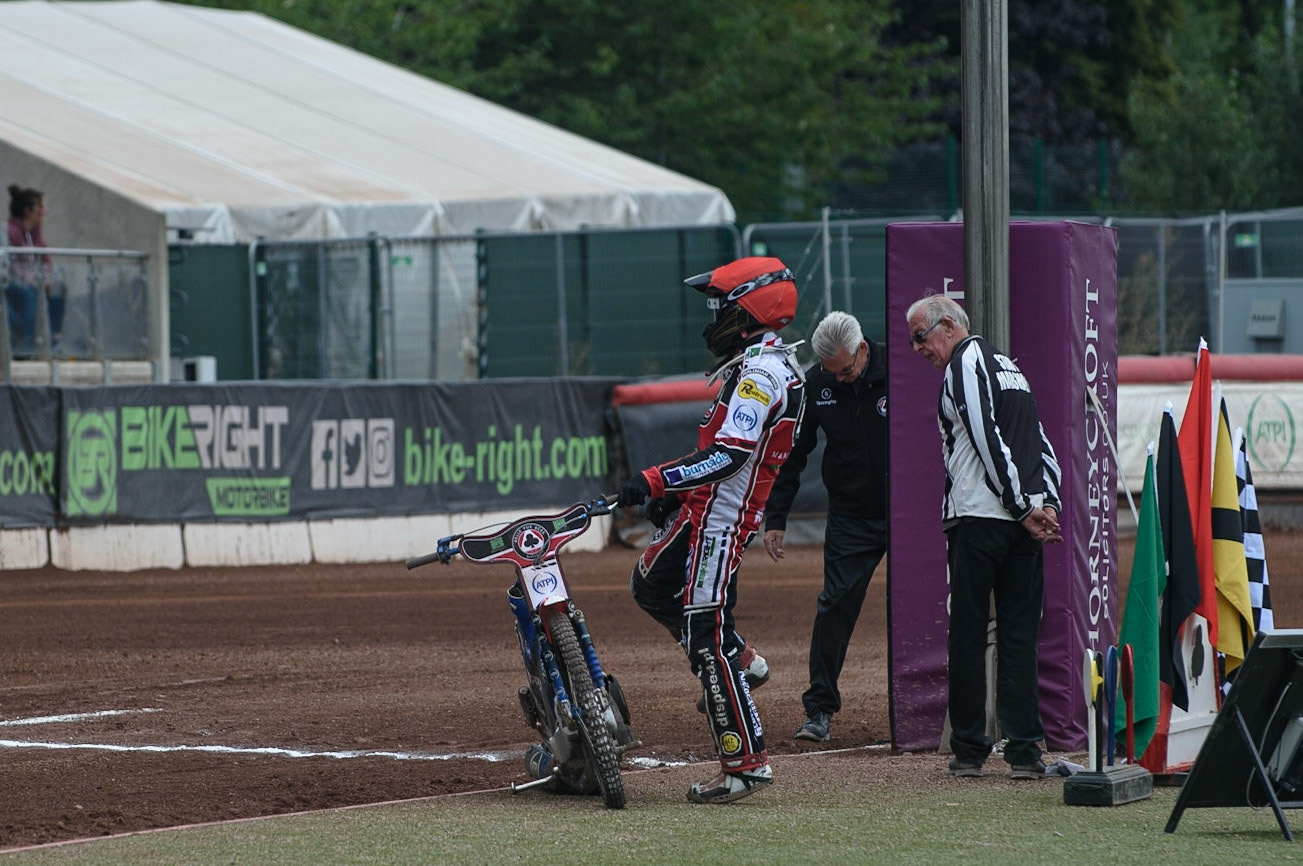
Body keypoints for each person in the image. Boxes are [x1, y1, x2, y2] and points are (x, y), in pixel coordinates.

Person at [616, 256, 805, 804]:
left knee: (707, 641)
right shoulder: (766, 366)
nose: (710, 318)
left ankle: (745, 764)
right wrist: (674, 494)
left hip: (720, 524)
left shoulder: (760, 375)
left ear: (746, 309)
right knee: (651, 584)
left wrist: (655, 482)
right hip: (706, 511)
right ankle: (745, 662)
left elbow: (728, 457)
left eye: (718, 306)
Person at [904, 293, 1062, 780]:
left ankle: (970, 749)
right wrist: (1046, 504)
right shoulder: (1010, 367)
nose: (917, 349)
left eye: (919, 337)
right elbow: (1041, 443)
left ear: (948, 326)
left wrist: (1019, 506)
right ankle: (1024, 754)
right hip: (1023, 523)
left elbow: (985, 435)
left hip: (981, 519)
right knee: (1019, 635)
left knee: (968, 634)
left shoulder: (967, 362)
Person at [762, 311, 887, 743]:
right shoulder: (819, 384)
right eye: (834, 374)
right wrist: (776, 517)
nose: (844, 380)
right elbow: (793, 456)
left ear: (864, 350)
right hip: (851, 516)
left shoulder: (900, 372)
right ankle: (819, 709)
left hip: (907, 513)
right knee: (834, 605)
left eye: (849, 370)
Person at [5, 184, 63, 354]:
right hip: (11, 285)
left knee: (58, 289)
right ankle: (30, 344)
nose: (45, 211)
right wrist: (35, 280)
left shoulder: (35, 234)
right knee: (29, 295)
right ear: (27, 211)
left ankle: (54, 338)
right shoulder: (11, 231)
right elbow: (12, 265)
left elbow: (45, 260)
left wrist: (47, 278)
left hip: (31, 282)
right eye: (40, 207)